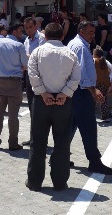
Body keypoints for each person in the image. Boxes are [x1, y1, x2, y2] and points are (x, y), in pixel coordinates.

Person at [26, 22, 81, 191]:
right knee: (62, 143)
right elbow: (76, 78)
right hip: (63, 103)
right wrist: (65, 93)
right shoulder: (71, 54)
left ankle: (34, 182)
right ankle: (60, 182)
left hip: (41, 101)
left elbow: (32, 74)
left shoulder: (37, 52)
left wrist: (43, 93)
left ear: (46, 36)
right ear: (62, 36)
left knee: (38, 142)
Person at [67, 21, 112, 175]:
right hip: (81, 93)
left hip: (76, 92)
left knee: (70, 126)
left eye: (94, 32)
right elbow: (81, 73)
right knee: (88, 128)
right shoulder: (80, 47)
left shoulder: (75, 44)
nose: (93, 35)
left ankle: (59, 156)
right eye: (90, 32)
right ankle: (94, 162)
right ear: (81, 31)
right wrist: (93, 90)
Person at [0, 22, 28, 151]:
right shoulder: (19, 45)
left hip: (1, 80)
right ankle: (13, 142)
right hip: (15, 81)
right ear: (14, 32)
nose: (22, 33)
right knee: (13, 115)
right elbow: (25, 65)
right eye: (20, 31)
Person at [22, 17, 45, 145]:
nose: (28, 30)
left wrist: (27, 57)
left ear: (36, 26)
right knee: (32, 107)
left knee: (40, 108)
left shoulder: (42, 38)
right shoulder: (26, 40)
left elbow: (41, 57)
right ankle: (33, 138)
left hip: (40, 76)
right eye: (26, 28)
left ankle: (40, 140)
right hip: (29, 75)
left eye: (30, 27)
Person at [93, 46, 112, 122]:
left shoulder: (94, 60)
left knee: (93, 100)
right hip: (105, 83)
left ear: (95, 54)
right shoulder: (105, 61)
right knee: (104, 101)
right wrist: (109, 78)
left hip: (97, 83)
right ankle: (106, 117)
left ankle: (91, 115)